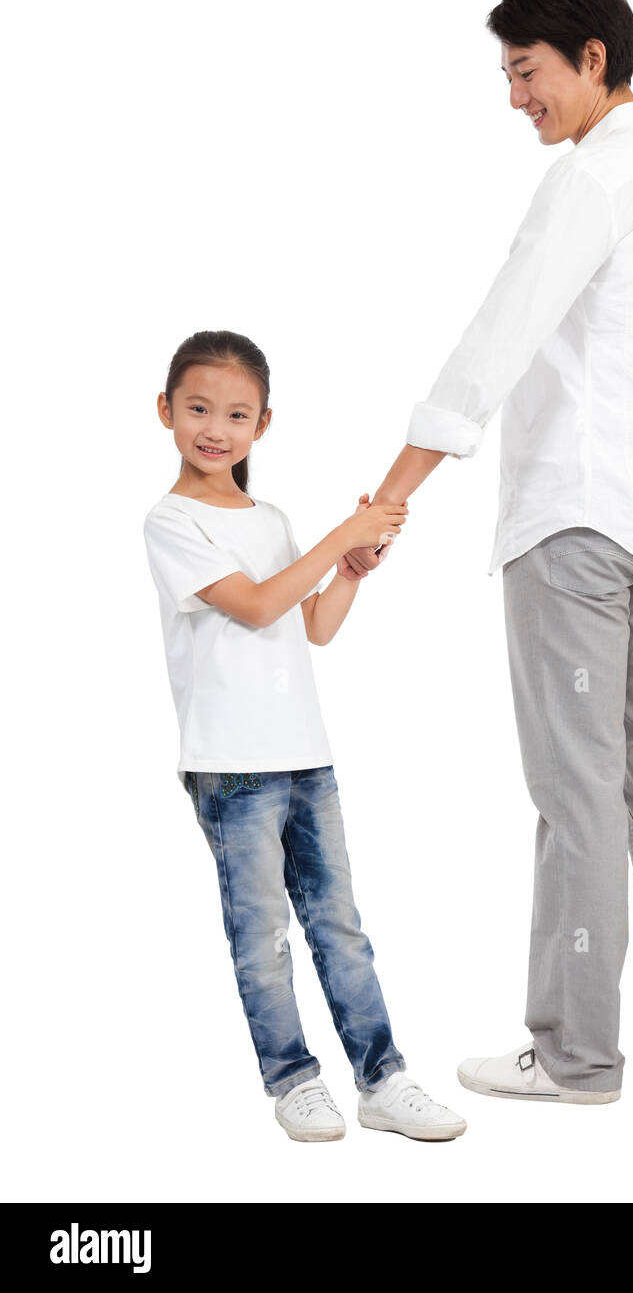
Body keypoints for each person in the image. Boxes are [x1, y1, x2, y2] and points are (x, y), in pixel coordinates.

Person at [343, 0, 633, 1107]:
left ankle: (576, 1057)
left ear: (590, 58)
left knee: (576, 792)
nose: (512, 98)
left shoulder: (597, 176)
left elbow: (496, 338)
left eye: (524, 72)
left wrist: (391, 495)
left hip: (579, 526)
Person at [142, 328, 467, 1143]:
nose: (216, 428)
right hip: (230, 768)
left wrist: (348, 572)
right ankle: (293, 1081)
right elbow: (252, 605)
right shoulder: (171, 521)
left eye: (237, 414)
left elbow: (312, 623)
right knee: (262, 937)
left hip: (305, 757)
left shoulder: (272, 517)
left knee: (339, 923)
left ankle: (382, 1079)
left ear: (264, 425)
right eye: (199, 409)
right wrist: (337, 540)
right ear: (166, 412)